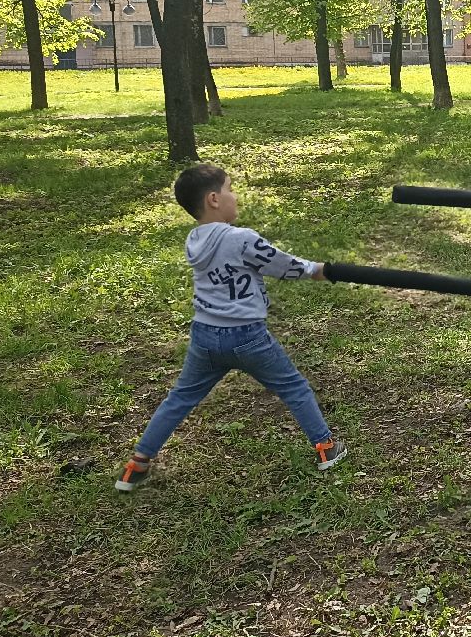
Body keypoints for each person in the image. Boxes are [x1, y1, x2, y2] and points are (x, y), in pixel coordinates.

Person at [115, 164, 345, 491]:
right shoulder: (240, 238)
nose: (234, 196)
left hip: (205, 337)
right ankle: (326, 447)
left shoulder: (194, 239)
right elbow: (283, 265)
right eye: (230, 189)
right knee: (293, 387)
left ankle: (136, 465)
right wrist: (317, 270)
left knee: (179, 398)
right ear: (213, 199)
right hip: (247, 336)